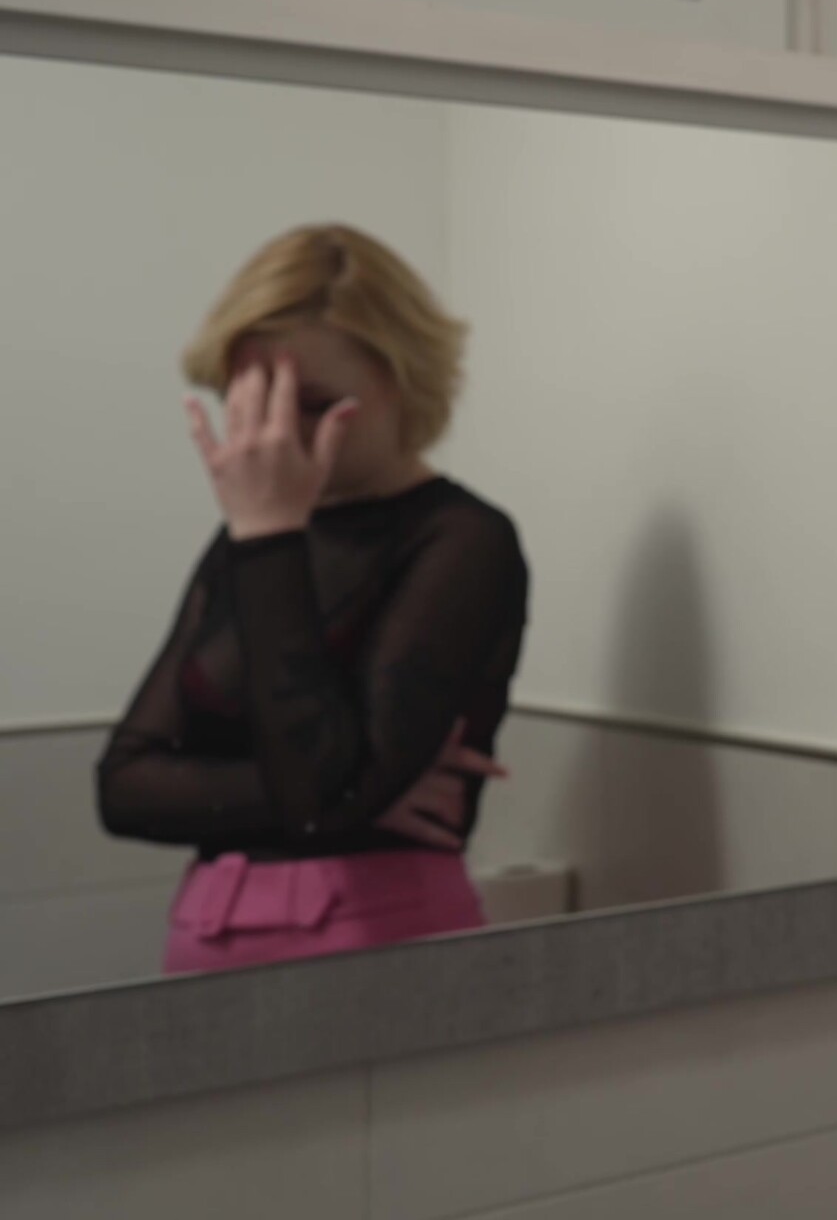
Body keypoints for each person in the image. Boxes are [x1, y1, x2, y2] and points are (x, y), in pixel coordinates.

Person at [98, 223, 529, 975]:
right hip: (208, 936)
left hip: (378, 938)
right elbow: (125, 787)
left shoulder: (461, 539)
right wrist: (357, 798)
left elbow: (319, 790)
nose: (277, 438)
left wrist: (269, 536)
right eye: (255, 403)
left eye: (315, 402)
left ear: (401, 380)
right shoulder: (249, 542)